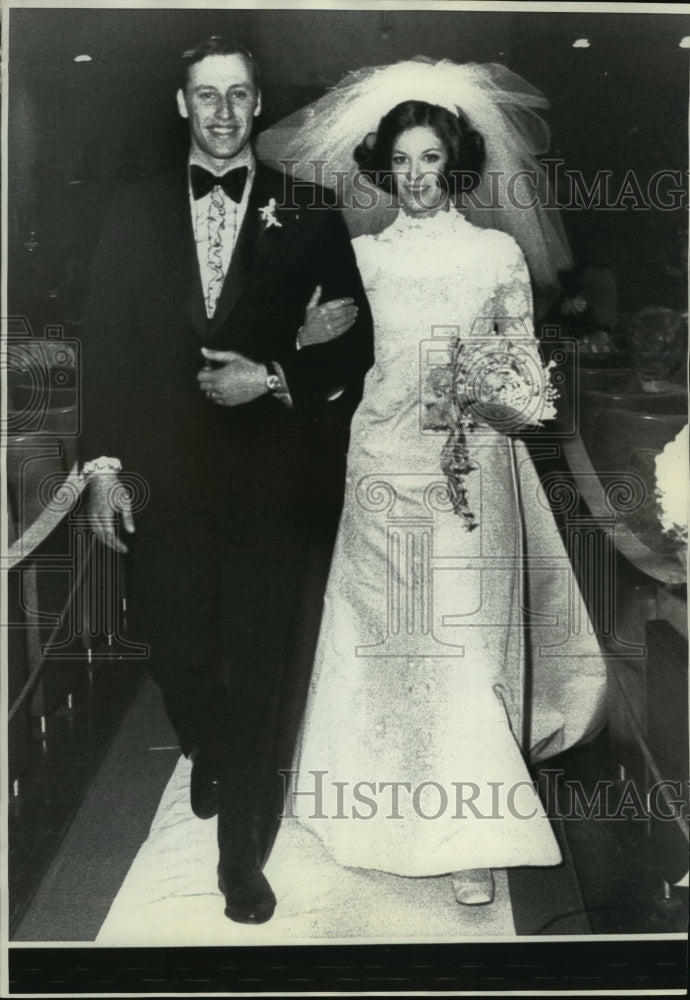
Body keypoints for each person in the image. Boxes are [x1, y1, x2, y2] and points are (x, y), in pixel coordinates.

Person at [256, 60, 607, 906]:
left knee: (458, 647)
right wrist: (304, 339)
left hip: (471, 474)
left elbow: (525, 371)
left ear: (455, 165)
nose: (416, 176)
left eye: (430, 159)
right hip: (379, 468)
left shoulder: (496, 254)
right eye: (403, 160)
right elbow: (331, 371)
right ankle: (367, 803)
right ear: (384, 165)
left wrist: (494, 402)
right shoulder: (362, 257)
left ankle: (471, 837)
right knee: (385, 640)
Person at [79, 36, 373, 925]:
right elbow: (107, 349)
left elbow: (356, 350)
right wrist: (101, 470)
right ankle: (204, 740)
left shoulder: (311, 212)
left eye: (238, 95)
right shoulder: (128, 213)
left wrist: (274, 375)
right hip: (161, 479)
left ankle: (240, 851)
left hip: (270, 483)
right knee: (175, 646)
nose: (222, 112)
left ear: (257, 106)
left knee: (259, 665)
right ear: (182, 106)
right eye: (205, 96)